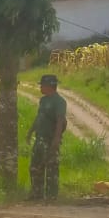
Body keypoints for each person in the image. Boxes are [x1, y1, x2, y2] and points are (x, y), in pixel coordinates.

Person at [27, 74, 68, 202]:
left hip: (50, 139)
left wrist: (56, 139)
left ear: (49, 86)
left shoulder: (59, 102)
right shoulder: (43, 100)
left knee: (51, 168)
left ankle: (51, 196)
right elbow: (39, 117)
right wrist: (30, 131)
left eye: (42, 85)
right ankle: (36, 193)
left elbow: (60, 120)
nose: (40, 87)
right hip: (39, 138)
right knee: (35, 167)